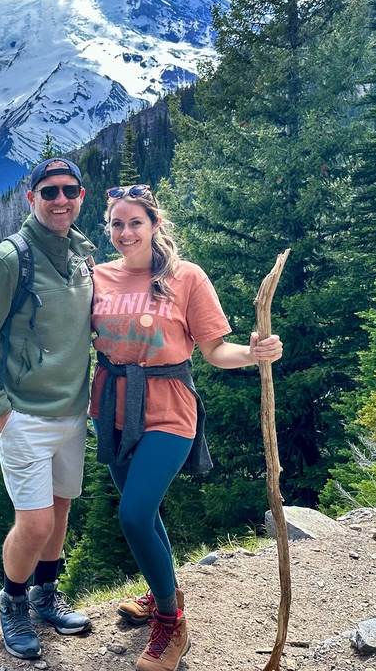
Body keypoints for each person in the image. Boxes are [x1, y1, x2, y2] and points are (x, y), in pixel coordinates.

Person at [89, 184, 283, 671]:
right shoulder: (96, 276)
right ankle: (162, 592)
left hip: (169, 407)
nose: (125, 232)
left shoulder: (186, 277)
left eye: (135, 222)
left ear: (155, 225)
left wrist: (253, 353)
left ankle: (172, 624)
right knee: (145, 513)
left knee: (133, 515)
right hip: (110, 405)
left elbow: (216, 351)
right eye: (117, 223)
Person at [0, 158, 95, 659]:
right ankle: (12, 602)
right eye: (50, 191)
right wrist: (1, 411)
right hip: (24, 417)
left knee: (59, 512)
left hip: (72, 413)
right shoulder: (7, 259)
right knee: (34, 523)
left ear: (81, 196)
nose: (61, 200)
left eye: (70, 190)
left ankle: (44, 596)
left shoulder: (81, 255)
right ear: (31, 198)